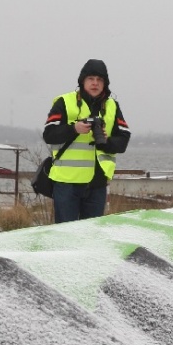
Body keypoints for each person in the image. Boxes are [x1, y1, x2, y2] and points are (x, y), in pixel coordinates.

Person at [42, 59, 131, 223]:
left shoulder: (112, 106)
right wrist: (73, 129)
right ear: (83, 81)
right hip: (67, 182)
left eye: (100, 80)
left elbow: (123, 141)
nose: (95, 84)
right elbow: (49, 134)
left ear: (105, 83)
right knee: (65, 235)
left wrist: (105, 140)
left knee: (92, 237)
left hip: (97, 183)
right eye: (91, 79)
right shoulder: (65, 102)